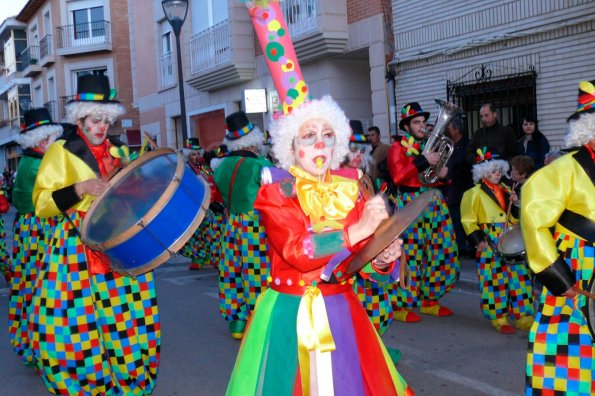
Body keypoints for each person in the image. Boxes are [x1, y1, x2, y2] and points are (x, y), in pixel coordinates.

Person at [226, 95, 412, 395]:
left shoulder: (351, 188)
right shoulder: (276, 192)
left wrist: (382, 258)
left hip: (341, 308)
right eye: (309, 136)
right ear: (290, 146)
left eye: (328, 135)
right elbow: (298, 251)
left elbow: (362, 265)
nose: (320, 144)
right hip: (290, 312)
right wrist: (355, 231)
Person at [30, 75, 160, 394]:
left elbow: (135, 192)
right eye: (94, 119)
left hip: (118, 240)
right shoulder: (61, 151)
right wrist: (79, 188)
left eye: (106, 119)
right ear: (79, 118)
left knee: (129, 319)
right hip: (75, 248)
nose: (101, 126)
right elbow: (41, 203)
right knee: (76, 324)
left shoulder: (118, 150)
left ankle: (129, 381)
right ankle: (86, 385)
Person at [521, 79, 595, 394]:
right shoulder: (560, 171)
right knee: (566, 350)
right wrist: (558, 276)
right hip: (575, 269)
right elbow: (534, 220)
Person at [387, 102, 459, 323]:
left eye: (423, 122)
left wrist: (444, 173)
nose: (421, 126)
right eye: (416, 122)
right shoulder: (397, 148)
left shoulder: (431, 145)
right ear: (406, 126)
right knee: (411, 254)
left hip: (434, 201)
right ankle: (400, 303)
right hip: (410, 201)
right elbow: (398, 177)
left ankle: (429, 299)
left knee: (441, 249)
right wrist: (423, 160)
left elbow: (436, 177)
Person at [8, 108, 62, 368]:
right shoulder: (36, 165)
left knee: (35, 287)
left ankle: (35, 344)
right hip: (37, 229)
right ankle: (37, 346)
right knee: (41, 289)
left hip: (34, 228)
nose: (49, 142)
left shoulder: (33, 161)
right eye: (47, 138)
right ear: (39, 140)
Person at [460, 150, 534, 334]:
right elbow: (467, 220)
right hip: (489, 239)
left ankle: (523, 314)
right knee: (494, 279)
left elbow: (518, 216)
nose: (498, 174)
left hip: (511, 238)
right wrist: (478, 240)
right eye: (494, 171)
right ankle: (499, 317)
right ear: (483, 173)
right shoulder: (473, 193)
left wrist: (517, 203)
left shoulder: (507, 189)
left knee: (520, 276)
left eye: (499, 170)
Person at [213, 111, 273, 339]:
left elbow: (218, 195)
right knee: (256, 271)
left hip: (231, 222)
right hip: (255, 224)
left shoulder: (222, 165)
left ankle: (236, 322)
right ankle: (257, 319)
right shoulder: (261, 165)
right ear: (254, 140)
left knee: (232, 270)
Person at [180, 137, 226, 270]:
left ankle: (210, 257)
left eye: (197, 154)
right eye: (192, 154)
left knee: (211, 231)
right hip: (194, 205)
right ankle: (198, 259)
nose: (195, 156)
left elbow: (212, 181)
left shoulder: (203, 165)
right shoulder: (185, 168)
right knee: (196, 233)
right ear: (187, 155)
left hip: (209, 203)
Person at [440, 115, 474, 257]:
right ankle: (460, 248)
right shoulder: (449, 145)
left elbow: (464, 164)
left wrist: (449, 171)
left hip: (465, 186)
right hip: (453, 188)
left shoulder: (467, 144)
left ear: (457, 129)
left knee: (467, 218)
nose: (446, 130)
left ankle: (471, 247)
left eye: (448, 127)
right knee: (455, 218)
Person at [366, 125, 390, 189]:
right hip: (368, 183)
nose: (370, 137)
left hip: (380, 183)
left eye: (372, 135)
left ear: (378, 136)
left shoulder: (386, 148)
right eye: (368, 135)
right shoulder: (367, 149)